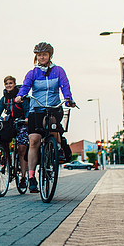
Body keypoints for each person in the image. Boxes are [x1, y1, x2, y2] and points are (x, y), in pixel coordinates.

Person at [15, 42, 75, 194]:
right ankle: (31, 177)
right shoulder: (33, 73)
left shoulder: (58, 71)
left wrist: (68, 98)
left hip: (54, 108)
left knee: (52, 124)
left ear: (50, 56)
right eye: (39, 55)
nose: (42, 57)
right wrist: (20, 96)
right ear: (36, 56)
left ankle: (57, 148)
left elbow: (65, 86)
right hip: (37, 109)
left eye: (44, 54)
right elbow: (25, 86)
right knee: (34, 140)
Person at [0, 75, 31, 190]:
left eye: (10, 83)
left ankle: (23, 177)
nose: (8, 85)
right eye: (6, 84)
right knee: (2, 138)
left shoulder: (20, 97)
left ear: (14, 84)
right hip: (9, 124)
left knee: (22, 148)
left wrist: (27, 118)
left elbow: (27, 109)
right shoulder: (3, 99)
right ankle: (5, 158)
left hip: (22, 123)